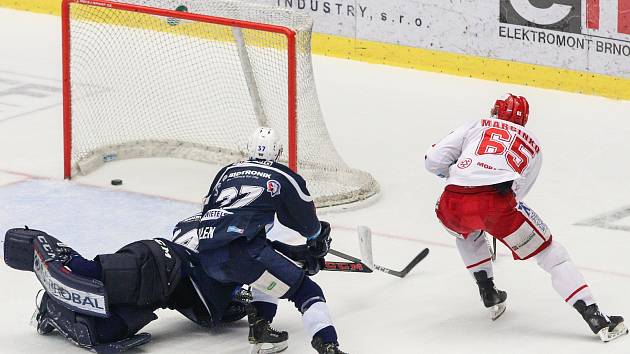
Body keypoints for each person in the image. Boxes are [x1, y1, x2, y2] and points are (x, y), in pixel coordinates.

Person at [424, 94, 628, 342]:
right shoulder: (534, 145)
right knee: (553, 255)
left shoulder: (476, 124)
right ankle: (597, 319)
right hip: (496, 206)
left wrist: (456, 175)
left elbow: (433, 161)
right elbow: (517, 193)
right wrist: (492, 214)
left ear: (496, 111)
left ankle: (488, 292)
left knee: (466, 232)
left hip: (451, 202)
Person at [191, 126, 346, 354]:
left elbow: (208, 210)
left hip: (207, 256)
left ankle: (262, 330)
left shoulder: (226, 171)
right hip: (244, 254)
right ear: (277, 151)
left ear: (248, 148)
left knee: (262, 275)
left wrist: (291, 253)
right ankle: (328, 344)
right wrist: (316, 238)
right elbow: (305, 221)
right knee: (306, 290)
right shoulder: (281, 175)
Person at [3, 224, 252, 353]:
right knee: (88, 273)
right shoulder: (224, 249)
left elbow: (224, 311)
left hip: (159, 292)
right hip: (160, 261)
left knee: (101, 333)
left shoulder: (218, 295)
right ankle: (59, 254)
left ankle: (52, 308)